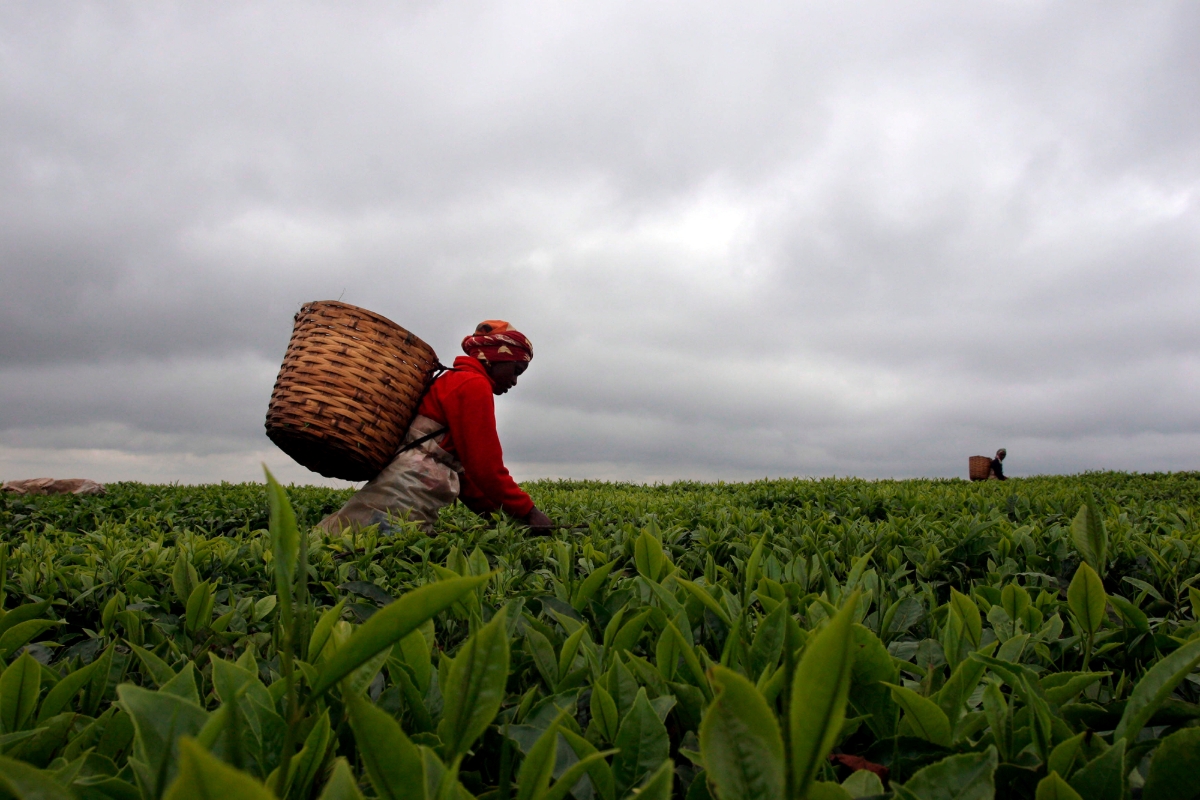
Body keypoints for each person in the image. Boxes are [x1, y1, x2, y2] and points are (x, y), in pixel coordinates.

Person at [318, 320, 555, 536]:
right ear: (495, 359)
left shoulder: (452, 380)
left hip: (402, 482)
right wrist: (529, 512)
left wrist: (498, 518)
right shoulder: (473, 385)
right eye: (516, 371)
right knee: (369, 552)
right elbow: (485, 466)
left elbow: (464, 473)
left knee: (342, 540)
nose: (514, 381)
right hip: (407, 491)